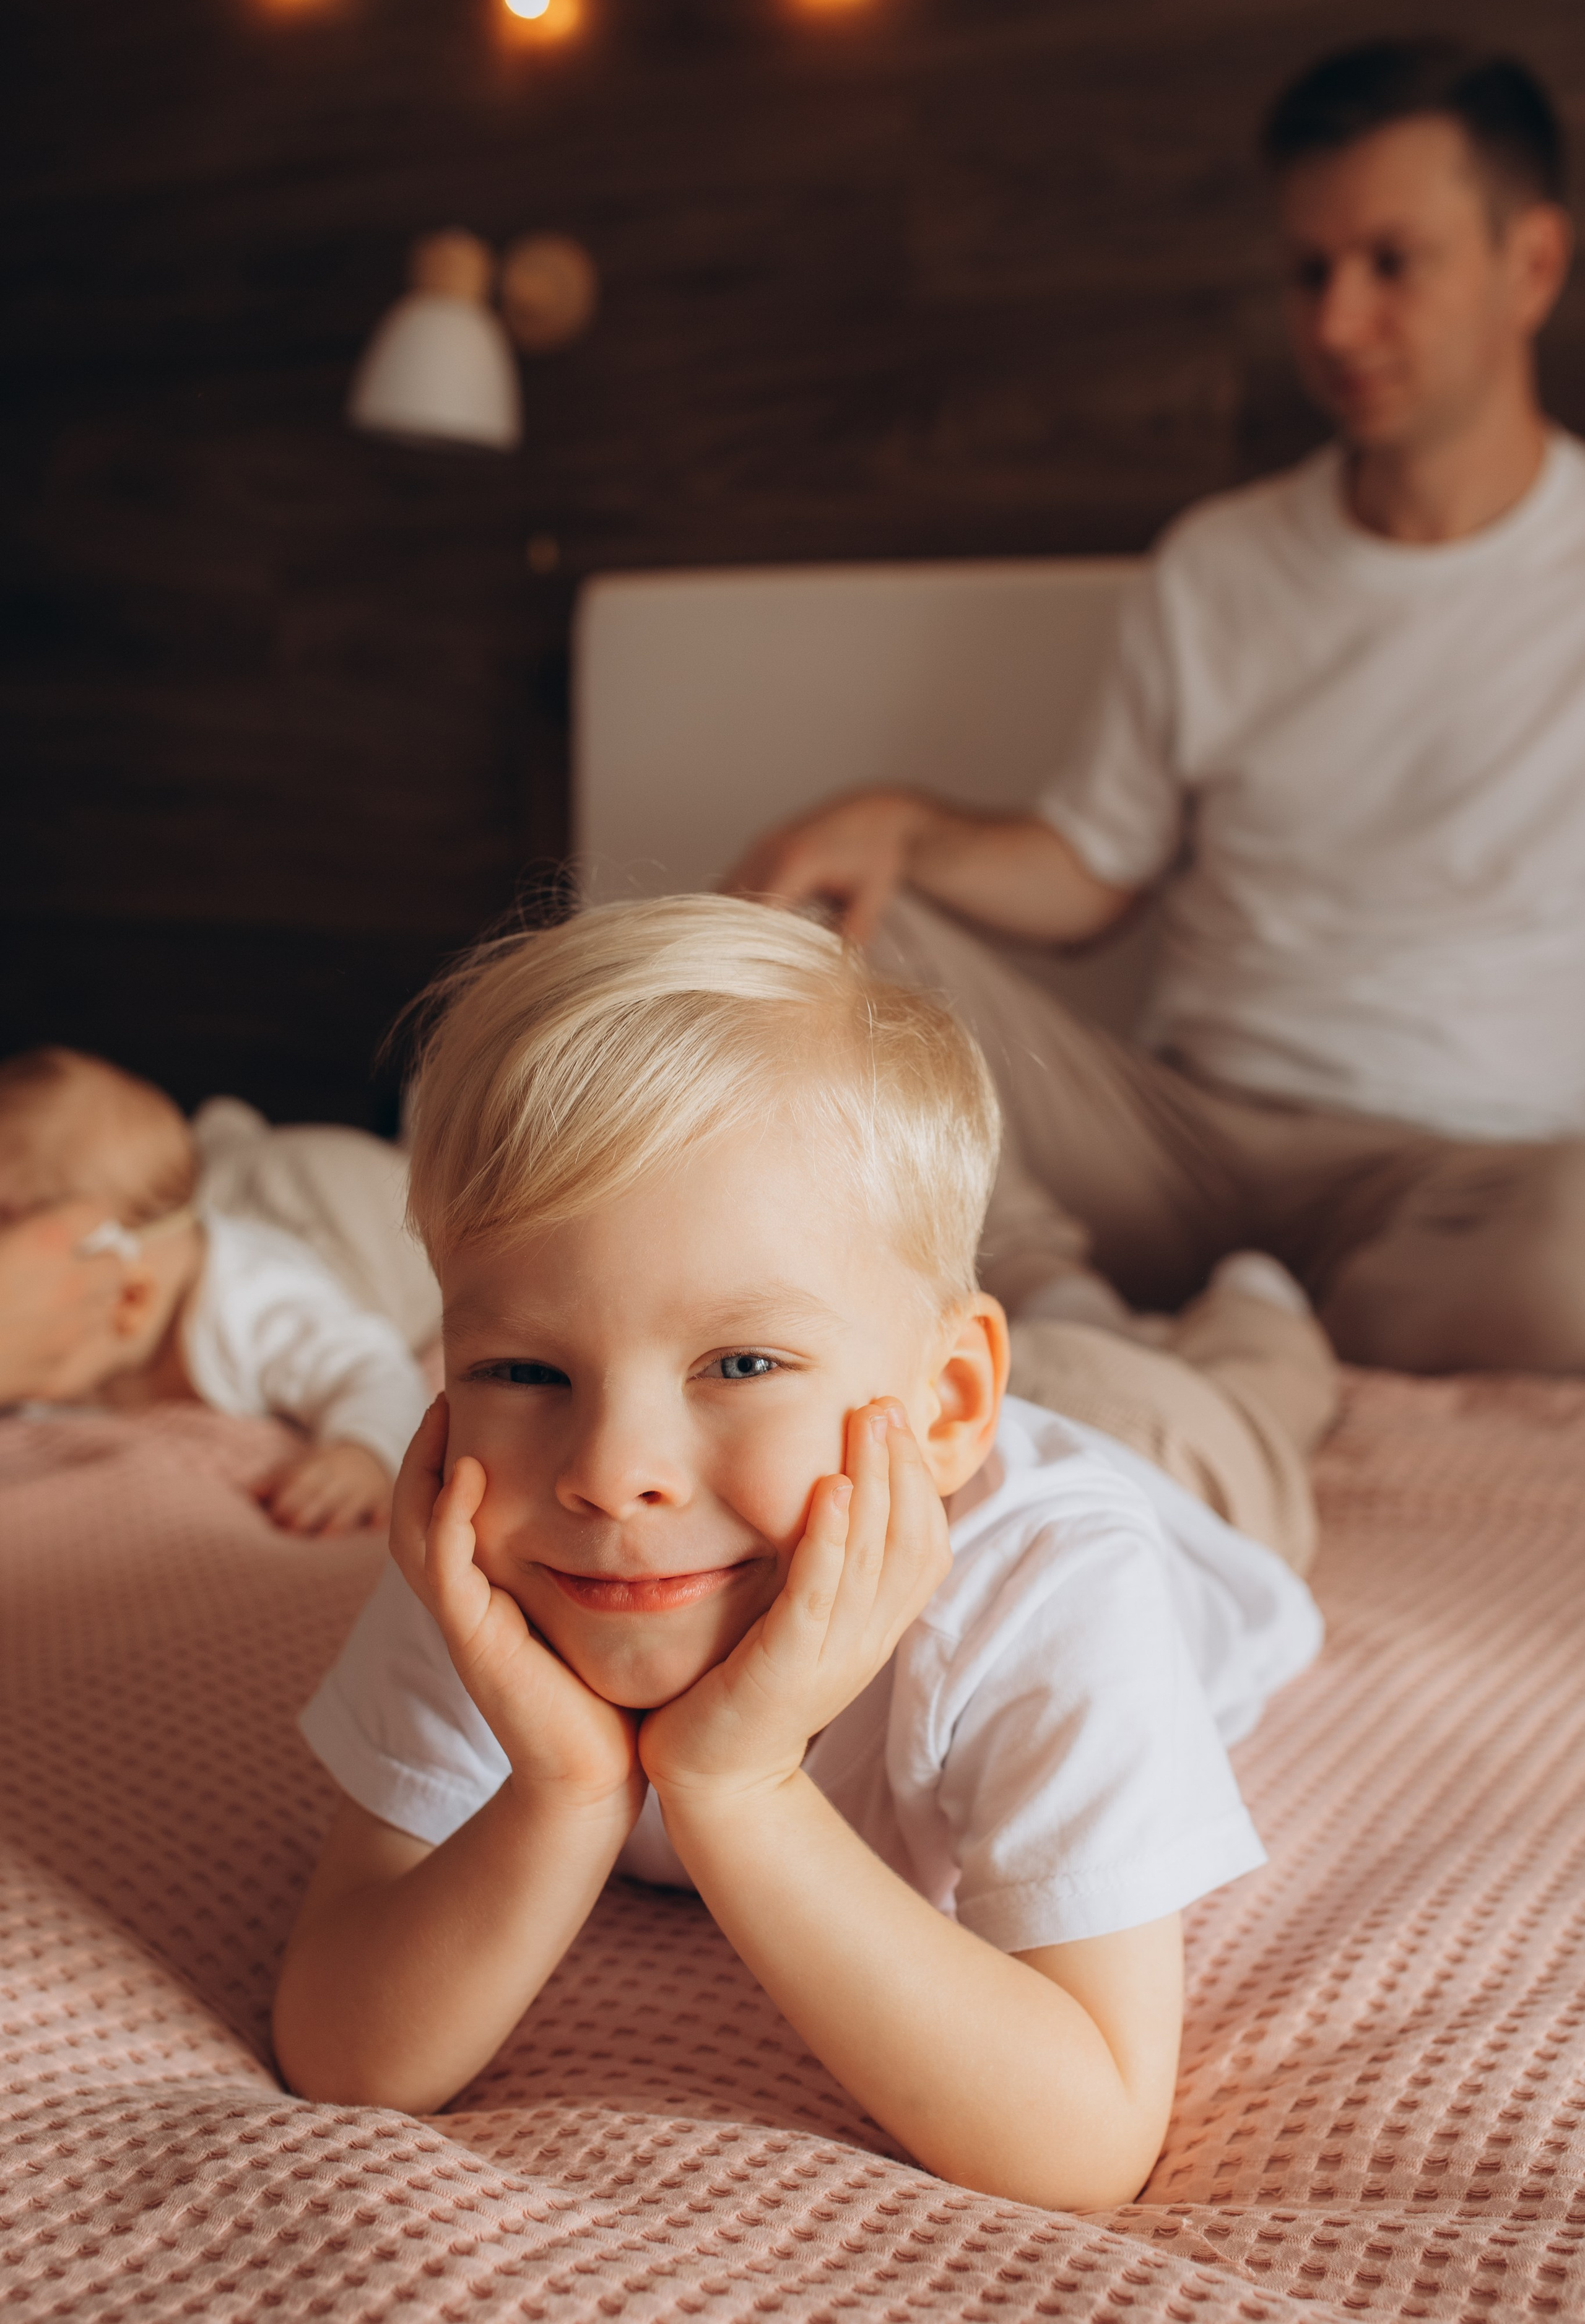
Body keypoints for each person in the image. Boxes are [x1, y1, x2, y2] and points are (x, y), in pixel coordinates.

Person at [274, 896, 1321, 2210]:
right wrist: (560, 1791)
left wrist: (741, 1791)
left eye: (740, 1362)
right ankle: (1057, 1297)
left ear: (945, 1406)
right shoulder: (498, 1543)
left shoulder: (1056, 1584)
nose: (607, 1472)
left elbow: (1086, 2136)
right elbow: (344, 2048)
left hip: (1167, 1467)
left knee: (1239, 1395)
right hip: (951, 1383)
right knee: (1053, 1317)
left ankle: (1254, 1303)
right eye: (524, 1366)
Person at [726, 39, 1585, 1376]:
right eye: (1309, 272)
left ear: (1529, 264)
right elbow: (1090, 871)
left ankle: (1290, 1331)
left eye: (1389, 265)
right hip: (1180, 1138)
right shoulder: (1219, 562)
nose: (1338, 322)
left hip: (1457, 1179)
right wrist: (903, 830)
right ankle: (1060, 1309)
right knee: (834, 946)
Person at [0, 1047, 430, 1534]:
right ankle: (232, 1135)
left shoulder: (253, 1307)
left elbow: (372, 1367)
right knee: (206, 1171)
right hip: (216, 1193)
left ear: (129, 1299)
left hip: (338, 1213)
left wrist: (367, 1453)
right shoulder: (50, 1331)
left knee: (416, 1195)